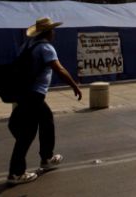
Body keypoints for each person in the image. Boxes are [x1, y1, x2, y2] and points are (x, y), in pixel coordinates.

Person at [6, 17, 82, 186]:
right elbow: (59, 69)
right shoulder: (46, 48)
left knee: (46, 120)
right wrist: (74, 85)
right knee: (27, 133)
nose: (54, 33)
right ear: (48, 32)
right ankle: (16, 173)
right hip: (34, 94)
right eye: (53, 30)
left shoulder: (27, 45)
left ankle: (47, 158)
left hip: (24, 93)